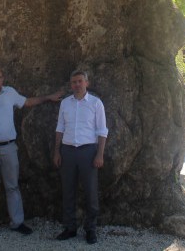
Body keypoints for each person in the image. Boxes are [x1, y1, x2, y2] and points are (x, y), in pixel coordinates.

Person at [0, 67, 62, 236]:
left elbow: (28, 102)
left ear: (3, 79)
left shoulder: (10, 93)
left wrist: (48, 97)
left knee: (12, 186)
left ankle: (17, 222)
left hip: (9, 147)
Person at [53, 70, 108, 245]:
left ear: (86, 83)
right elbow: (60, 128)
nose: (77, 84)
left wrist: (100, 154)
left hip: (88, 152)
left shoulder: (96, 103)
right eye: (74, 82)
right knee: (68, 191)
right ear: (71, 85)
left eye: (80, 81)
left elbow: (102, 130)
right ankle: (70, 227)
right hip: (67, 151)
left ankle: (90, 229)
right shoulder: (65, 104)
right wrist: (57, 151)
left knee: (90, 192)